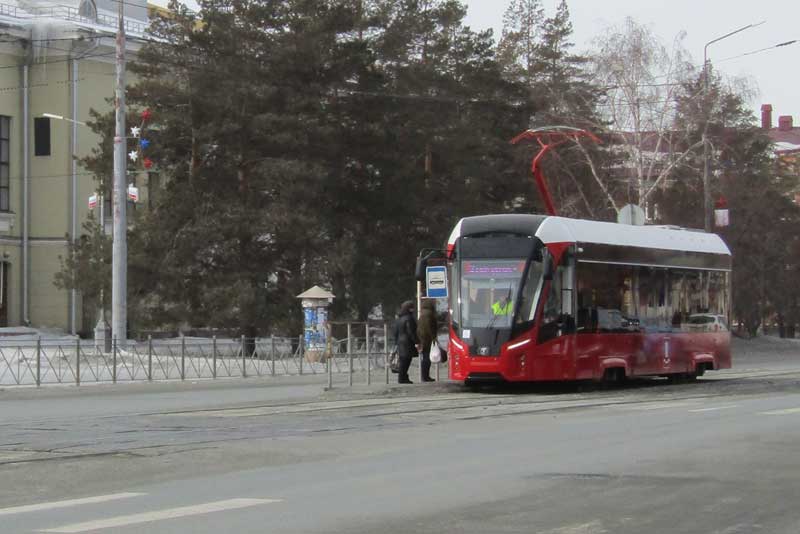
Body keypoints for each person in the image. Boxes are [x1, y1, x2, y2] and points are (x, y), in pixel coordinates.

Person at [393, 300, 419, 384]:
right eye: (412, 307)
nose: (413, 309)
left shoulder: (399, 318)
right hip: (407, 342)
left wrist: (396, 342)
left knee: (403, 360)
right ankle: (402, 378)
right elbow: (411, 331)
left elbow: (395, 332)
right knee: (406, 361)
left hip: (400, 342)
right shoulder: (409, 318)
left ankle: (403, 377)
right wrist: (416, 341)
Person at [416, 300, 438, 382]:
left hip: (422, 338)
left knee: (425, 358)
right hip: (427, 339)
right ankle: (425, 376)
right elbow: (429, 327)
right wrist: (433, 337)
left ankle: (425, 376)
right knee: (426, 359)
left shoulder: (422, 314)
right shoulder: (429, 314)